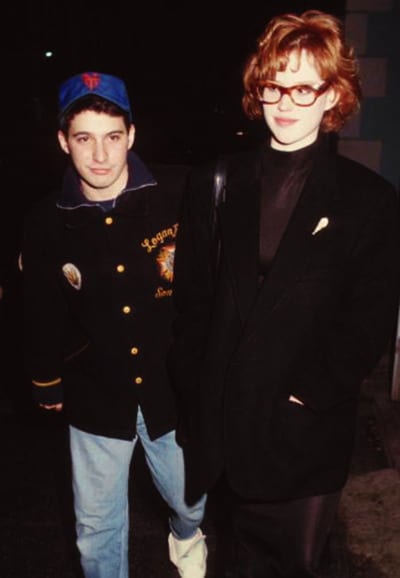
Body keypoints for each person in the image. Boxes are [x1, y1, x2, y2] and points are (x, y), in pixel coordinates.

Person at [169, 10, 400, 578]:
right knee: (240, 562)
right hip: (229, 426)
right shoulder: (216, 182)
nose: (285, 102)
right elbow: (192, 305)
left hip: (304, 431)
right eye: (274, 85)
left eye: (303, 88)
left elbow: (369, 317)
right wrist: (199, 397)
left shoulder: (368, 199)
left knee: (298, 565)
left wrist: (309, 392)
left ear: (333, 95)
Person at [21, 71, 207, 578]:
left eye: (113, 137)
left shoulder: (182, 192)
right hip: (96, 391)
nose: (100, 155)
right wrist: (45, 377)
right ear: (64, 141)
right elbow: (40, 305)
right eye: (84, 138)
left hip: (173, 385)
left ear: (132, 135)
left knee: (189, 499)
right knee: (96, 526)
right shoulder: (45, 220)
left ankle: (187, 534)